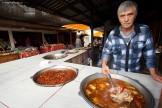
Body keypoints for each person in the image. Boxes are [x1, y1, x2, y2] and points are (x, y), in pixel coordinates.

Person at [101, 0, 162, 83]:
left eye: (130, 14)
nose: (126, 19)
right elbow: (106, 52)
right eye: (122, 16)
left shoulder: (144, 31)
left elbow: (149, 54)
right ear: (118, 18)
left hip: (135, 75)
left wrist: (154, 73)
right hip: (116, 74)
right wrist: (104, 65)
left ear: (135, 15)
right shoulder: (113, 34)